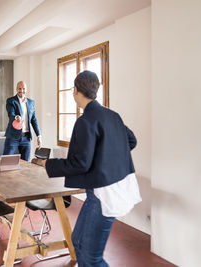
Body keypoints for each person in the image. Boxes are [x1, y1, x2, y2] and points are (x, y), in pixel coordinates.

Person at [39, 70, 141, 266]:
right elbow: (131, 141)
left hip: (104, 194)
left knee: (90, 258)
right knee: (77, 243)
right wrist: (107, 158)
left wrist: (48, 164)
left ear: (75, 90)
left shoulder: (85, 121)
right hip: (111, 188)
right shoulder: (112, 115)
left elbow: (80, 163)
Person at [3, 81, 42, 161]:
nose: (22, 90)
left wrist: (39, 136)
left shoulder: (31, 103)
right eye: (19, 88)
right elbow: (11, 114)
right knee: (6, 161)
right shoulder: (11, 101)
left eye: (23, 88)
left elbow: (34, 120)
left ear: (26, 89)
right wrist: (16, 117)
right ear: (16, 89)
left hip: (26, 138)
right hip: (13, 137)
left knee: (26, 163)